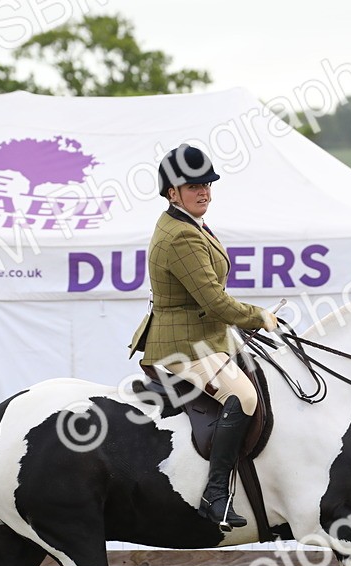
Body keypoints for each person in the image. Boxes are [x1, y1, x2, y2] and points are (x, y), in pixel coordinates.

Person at [128, 143, 277, 531]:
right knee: (242, 396)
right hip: (183, 347)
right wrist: (258, 316)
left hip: (206, 337)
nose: (204, 191)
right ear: (172, 192)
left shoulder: (189, 223)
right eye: (193, 185)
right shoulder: (181, 236)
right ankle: (216, 496)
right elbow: (214, 302)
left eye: (208, 183)